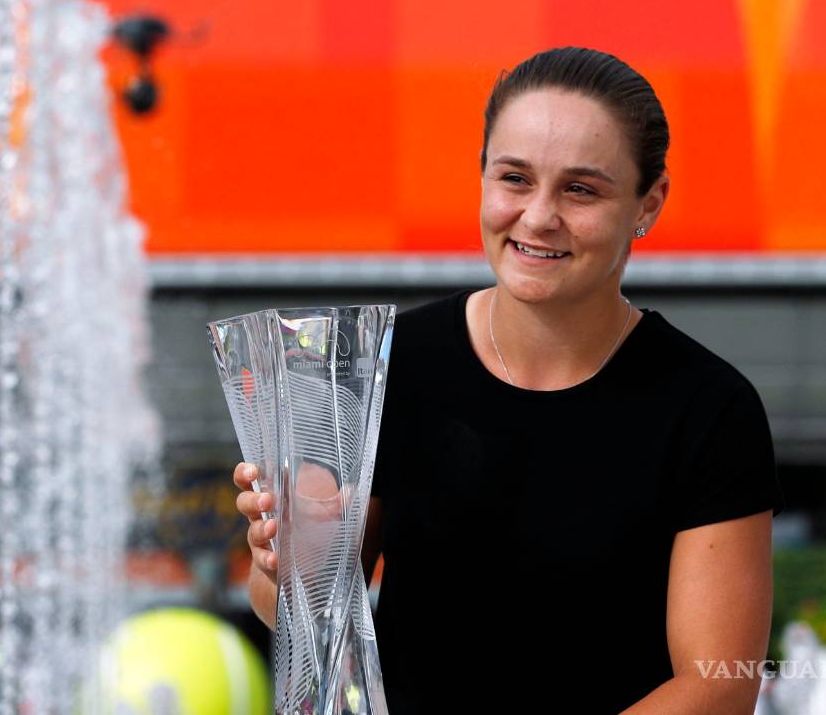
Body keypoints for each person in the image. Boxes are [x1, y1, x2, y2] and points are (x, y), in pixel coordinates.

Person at [234, 46, 785, 714]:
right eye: (515, 179)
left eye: (581, 189)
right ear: (482, 178)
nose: (538, 216)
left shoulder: (708, 409)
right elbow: (301, 613)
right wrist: (282, 565)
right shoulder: (386, 364)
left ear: (649, 202)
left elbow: (719, 684)